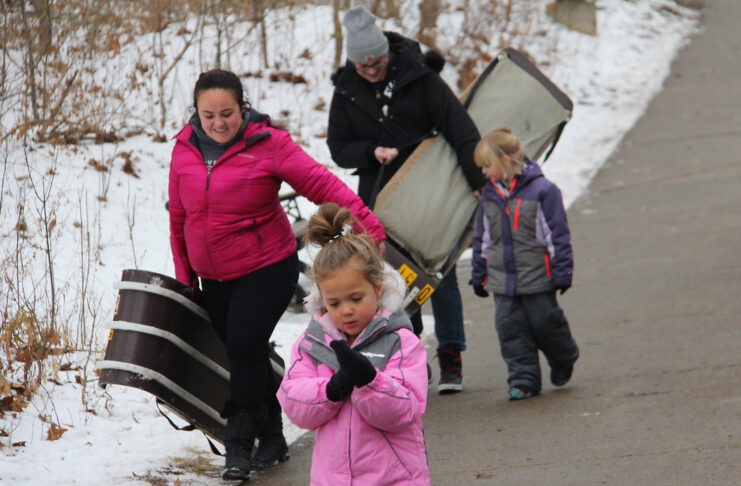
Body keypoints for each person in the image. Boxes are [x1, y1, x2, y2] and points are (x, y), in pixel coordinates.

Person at [168, 69, 386, 481]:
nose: (218, 123)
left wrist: (369, 227)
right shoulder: (184, 149)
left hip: (265, 267)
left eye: (227, 113)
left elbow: (322, 184)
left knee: (245, 344)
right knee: (243, 353)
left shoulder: (269, 144)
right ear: (196, 113)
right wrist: (186, 278)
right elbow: (179, 217)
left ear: (243, 108)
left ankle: (238, 443)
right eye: (208, 114)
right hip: (213, 277)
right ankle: (273, 437)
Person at [327, 5, 486, 394]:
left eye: (377, 61)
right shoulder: (346, 91)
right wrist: (371, 151)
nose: (371, 69)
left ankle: (450, 355)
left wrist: (478, 178)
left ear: (386, 52)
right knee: (394, 283)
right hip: (379, 198)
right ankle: (409, 357)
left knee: (438, 275)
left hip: (427, 192)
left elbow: (459, 128)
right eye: (363, 65)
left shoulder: (420, 78)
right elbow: (338, 147)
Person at [278, 203, 430, 486]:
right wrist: (333, 388)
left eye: (356, 299)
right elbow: (292, 400)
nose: (346, 310)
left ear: (377, 287)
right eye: (334, 303)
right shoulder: (312, 343)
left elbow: (407, 410)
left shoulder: (400, 341)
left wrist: (369, 380)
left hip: (394, 477)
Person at [469, 127, 580, 400]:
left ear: (505, 161)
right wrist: (479, 273)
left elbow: (557, 235)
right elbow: (482, 238)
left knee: (546, 324)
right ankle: (524, 380)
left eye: (487, 166)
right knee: (510, 330)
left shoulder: (544, 191)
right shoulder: (489, 196)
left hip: (537, 276)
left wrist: (562, 271)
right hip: (502, 280)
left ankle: (563, 356)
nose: (483, 173)